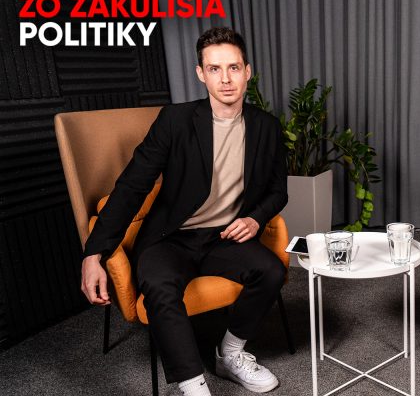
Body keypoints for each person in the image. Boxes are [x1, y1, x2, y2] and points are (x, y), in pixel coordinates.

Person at [80, 27, 288, 395]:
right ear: (200, 74)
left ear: (248, 71)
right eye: (214, 69)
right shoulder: (175, 120)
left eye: (233, 68)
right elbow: (131, 186)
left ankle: (229, 354)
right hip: (170, 238)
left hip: (222, 238)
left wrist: (255, 218)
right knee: (160, 286)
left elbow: (277, 191)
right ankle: (193, 385)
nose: (225, 79)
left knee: (271, 270)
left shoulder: (267, 127)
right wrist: (93, 253)